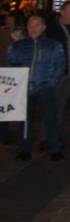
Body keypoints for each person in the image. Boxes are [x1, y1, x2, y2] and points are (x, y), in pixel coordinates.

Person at [5, 14, 65, 161]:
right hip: (24, 88)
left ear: (43, 28)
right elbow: (9, 65)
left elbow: (60, 66)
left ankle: (54, 149)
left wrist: (50, 83)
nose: (33, 28)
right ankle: (24, 149)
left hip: (44, 87)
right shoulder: (17, 46)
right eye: (30, 25)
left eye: (37, 25)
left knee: (50, 119)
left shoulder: (53, 45)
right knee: (24, 120)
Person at [46, 1, 70, 140]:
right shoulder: (52, 29)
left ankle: (55, 133)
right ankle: (48, 136)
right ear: (62, 12)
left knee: (62, 104)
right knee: (51, 105)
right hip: (55, 73)